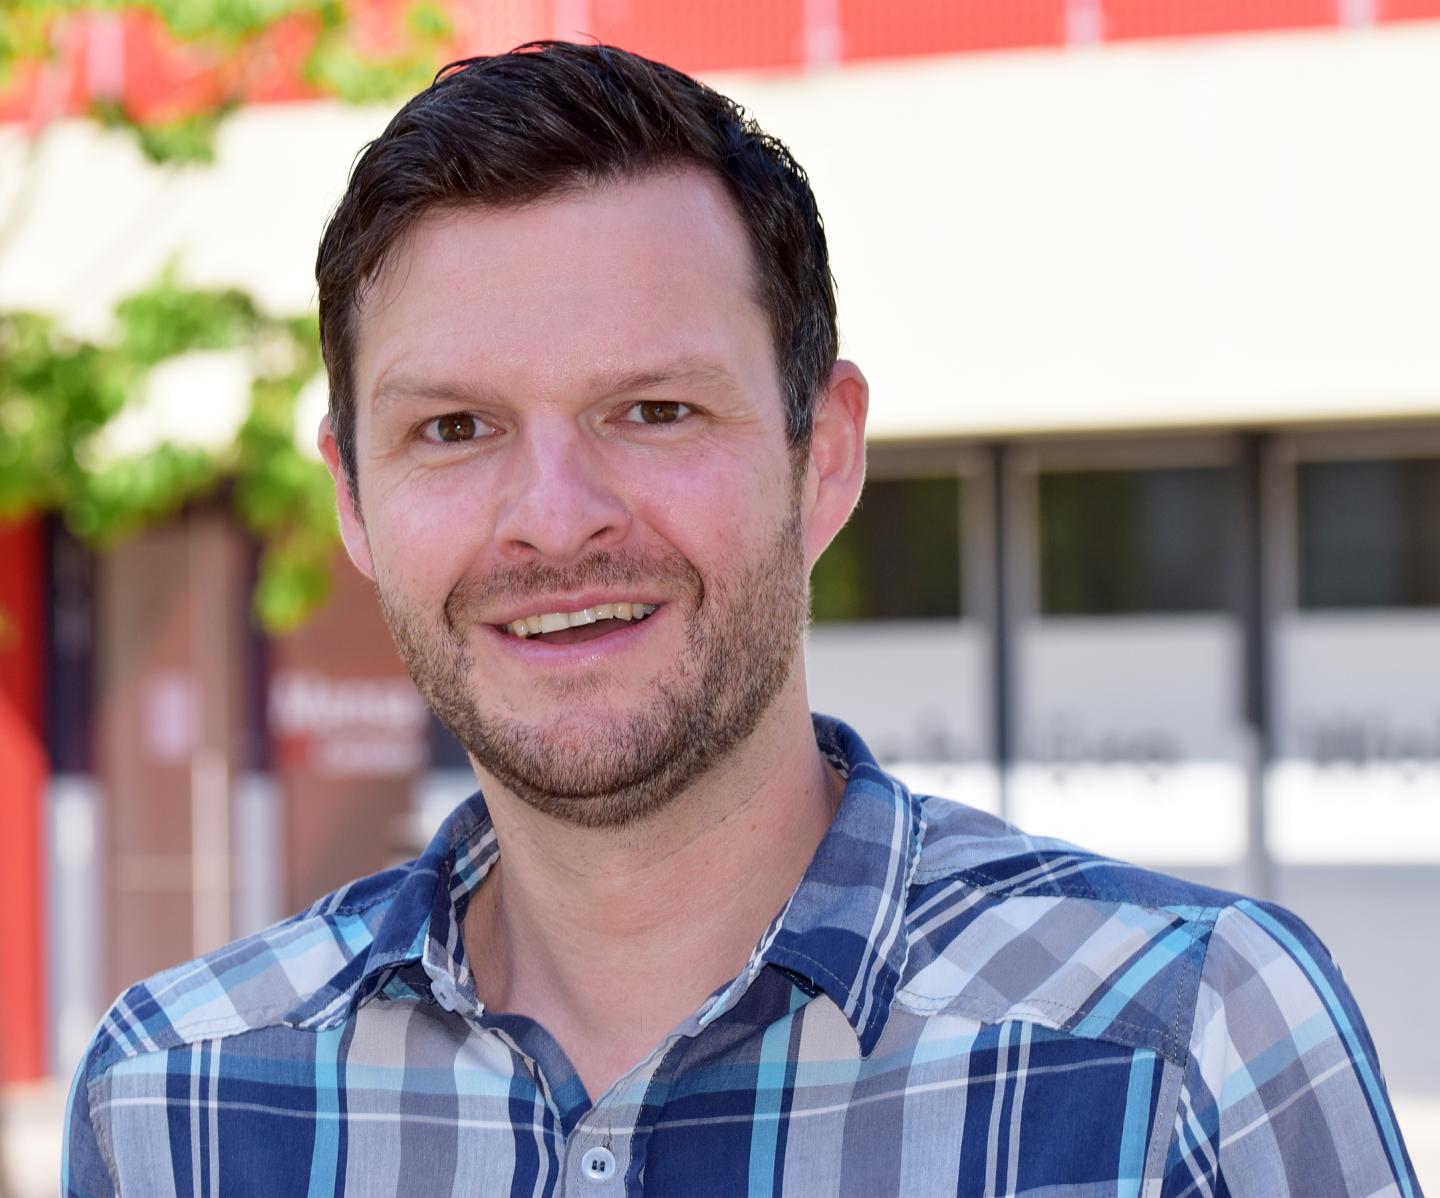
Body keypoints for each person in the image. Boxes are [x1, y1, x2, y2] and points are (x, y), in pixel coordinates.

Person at [64, 42, 1419, 1197]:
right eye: (455, 426)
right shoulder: (180, 1103)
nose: (554, 515)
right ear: (353, 499)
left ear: (821, 454)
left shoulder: (1185, 1044)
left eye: (653, 409)